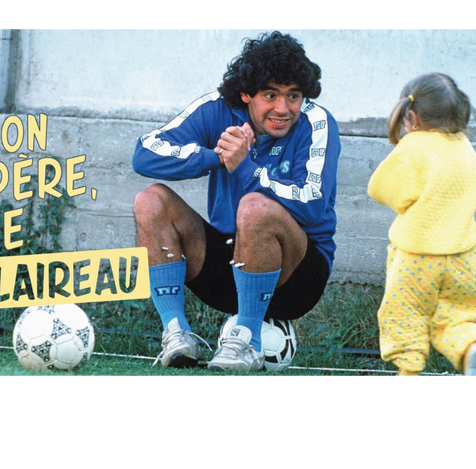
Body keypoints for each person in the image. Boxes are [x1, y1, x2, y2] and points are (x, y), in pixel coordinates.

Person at [132, 31, 340, 371]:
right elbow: (144, 155)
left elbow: (312, 203)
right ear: (246, 94)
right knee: (150, 200)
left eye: (293, 95)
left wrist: (245, 168)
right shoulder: (217, 109)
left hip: (297, 277)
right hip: (228, 267)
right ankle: (176, 335)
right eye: (270, 95)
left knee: (254, 206)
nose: (283, 108)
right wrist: (218, 155)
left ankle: (246, 343)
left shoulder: (316, 122)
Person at [368, 72, 476, 378]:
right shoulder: (464, 146)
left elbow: (381, 189)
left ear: (412, 117)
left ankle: (408, 373)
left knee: (405, 315)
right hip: (465, 258)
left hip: (417, 259)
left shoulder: (415, 145)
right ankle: (470, 348)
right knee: (456, 314)